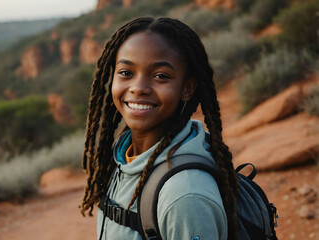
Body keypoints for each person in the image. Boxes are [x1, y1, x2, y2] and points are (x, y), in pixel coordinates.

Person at [80, 17, 238, 240]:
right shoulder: (123, 156)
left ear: (187, 88)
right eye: (126, 72)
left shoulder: (184, 195)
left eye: (160, 76)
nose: (139, 88)